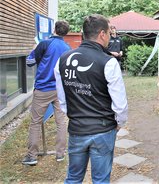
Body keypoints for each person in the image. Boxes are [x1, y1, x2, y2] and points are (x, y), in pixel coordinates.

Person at [54, 14, 128, 183]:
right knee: (100, 180)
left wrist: (74, 116)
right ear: (102, 34)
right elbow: (120, 103)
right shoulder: (108, 62)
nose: (110, 37)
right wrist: (120, 122)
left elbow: (62, 97)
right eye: (109, 33)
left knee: (73, 177)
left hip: (77, 128)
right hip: (103, 129)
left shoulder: (62, 60)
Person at [22, 21, 71, 166]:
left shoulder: (44, 44)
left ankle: (32, 156)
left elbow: (30, 62)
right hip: (60, 90)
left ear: (54, 29)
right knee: (61, 121)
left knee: (36, 122)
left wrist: (33, 49)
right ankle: (60, 154)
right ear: (66, 32)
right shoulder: (68, 48)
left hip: (43, 88)